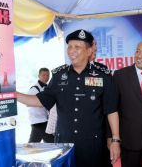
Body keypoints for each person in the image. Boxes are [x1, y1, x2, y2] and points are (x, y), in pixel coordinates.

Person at [16, 29, 120, 167]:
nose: (72, 51)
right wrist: (14, 95)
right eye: (69, 47)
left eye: (77, 47)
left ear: (89, 51)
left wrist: (115, 140)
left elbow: (111, 110)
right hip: (65, 146)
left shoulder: (103, 76)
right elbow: (39, 100)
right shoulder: (59, 76)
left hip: (93, 146)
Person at [27, 67, 54, 143]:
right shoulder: (34, 89)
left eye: (48, 75)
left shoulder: (48, 88)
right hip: (38, 121)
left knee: (49, 142)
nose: (46, 77)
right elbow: (29, 103)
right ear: (39, 76)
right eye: (44, 75)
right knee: (51, 142)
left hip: (44, 120)